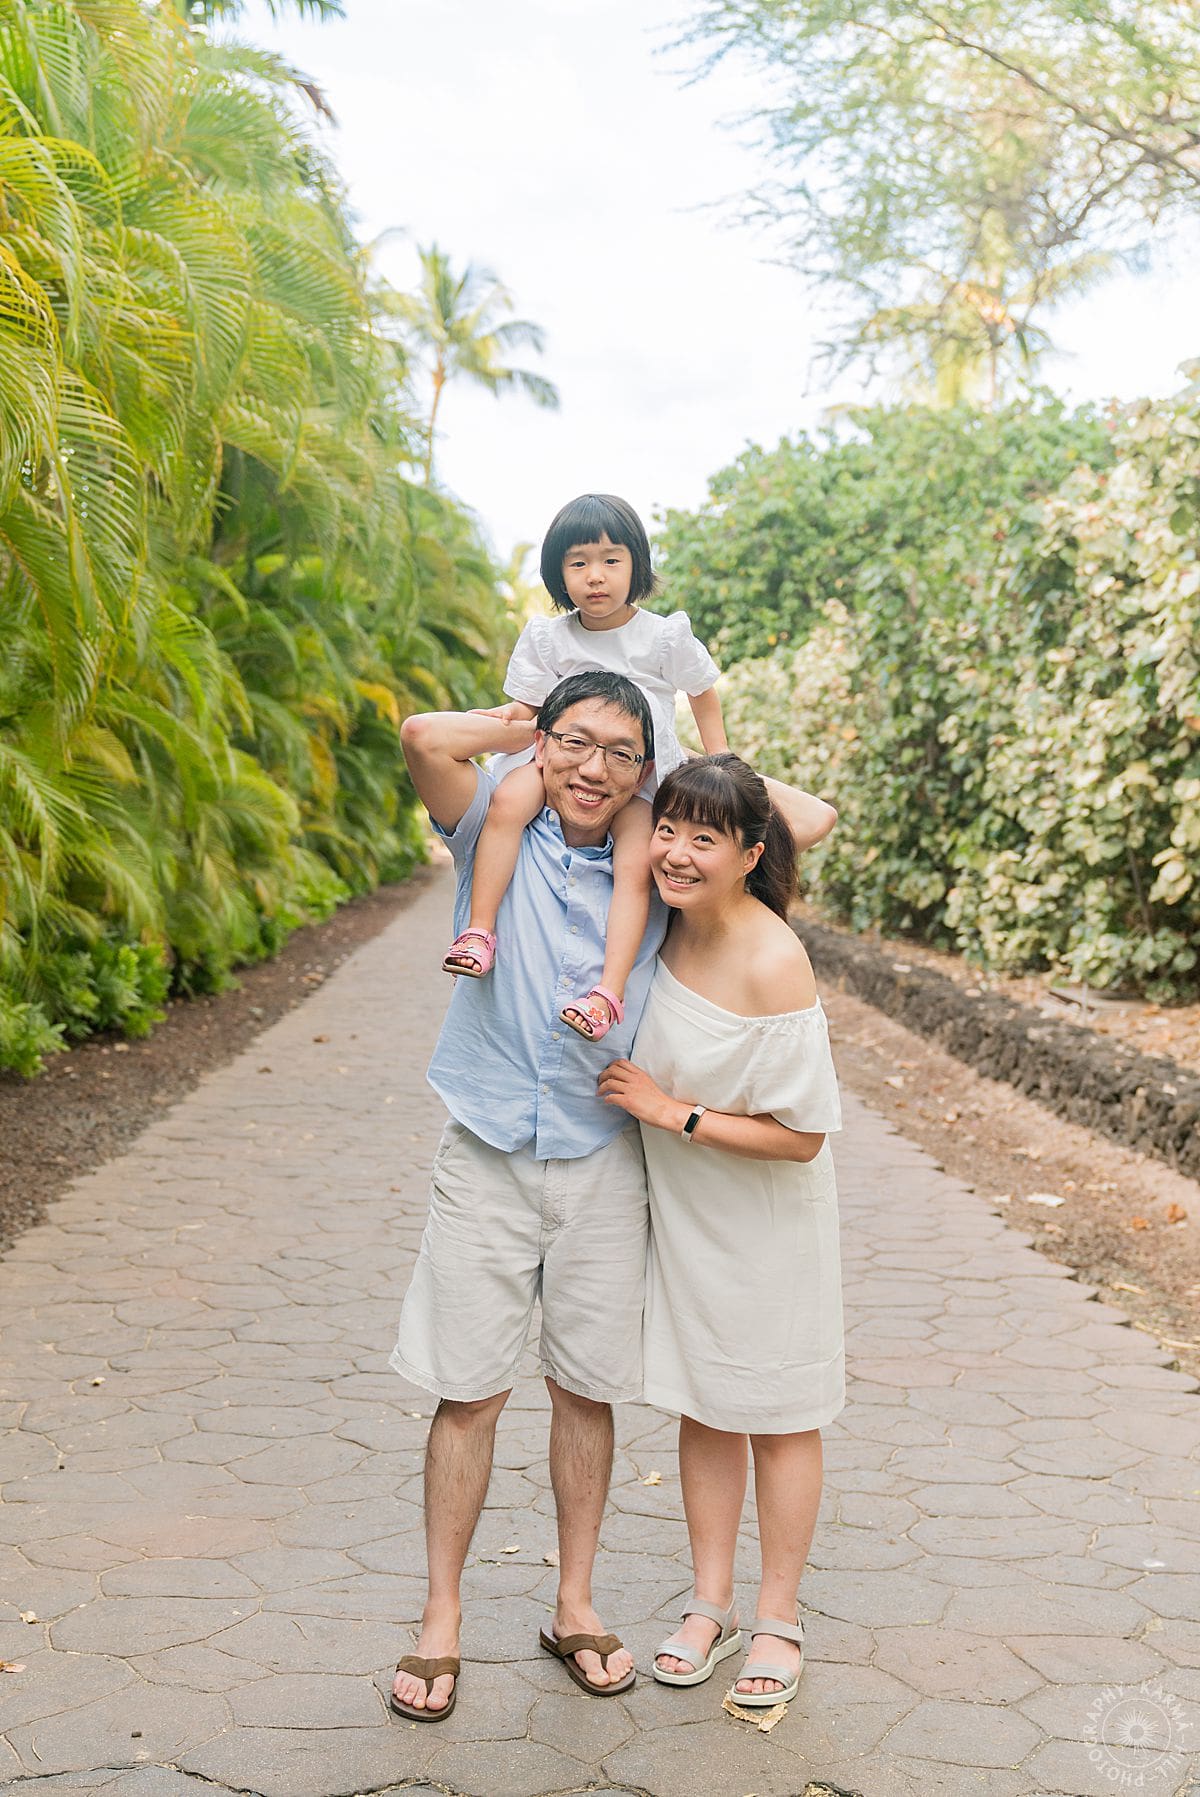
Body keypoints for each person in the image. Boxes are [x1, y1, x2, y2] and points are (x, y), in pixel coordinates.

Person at [389, 681, 836, 1722]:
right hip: (490, 1146)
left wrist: (693, 770)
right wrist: (539, 735)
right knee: (469, 1392)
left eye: (618, 756)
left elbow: (795, 823)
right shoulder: (491, 823)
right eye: (574, 746)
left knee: (587, 1392)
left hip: (604, 1159)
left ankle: (576, 1607)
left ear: (645, 771)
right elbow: (421, 736)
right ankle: (441, 1620)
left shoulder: (663, 873)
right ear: (544, 743)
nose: (593, 771)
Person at [599, 754, 843, 1710]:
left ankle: (777, 1618)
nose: (676, 852)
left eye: (707, 837)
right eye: (668, 828)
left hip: (766, 1223)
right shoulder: (662, 920)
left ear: (752, 853)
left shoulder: (772, 954)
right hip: (689, 1219)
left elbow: (804, 1135)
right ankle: (711, 1603)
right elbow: (799, 814)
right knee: (705, 1404)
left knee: (778, 1417)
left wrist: (671, 1112)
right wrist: (680, 769)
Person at [442, 492, 727, 1045]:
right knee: (505, 806)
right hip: (558, 761)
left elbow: (703, 692)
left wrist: (717, 759)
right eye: (578, 563)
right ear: (558, 574)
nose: (595, 576)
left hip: (635, 777)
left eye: (611, 561)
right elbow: (525, 710)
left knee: (633, 870)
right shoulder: (548, 637)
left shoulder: (663, 635)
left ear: (636, 566)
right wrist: (505, 718)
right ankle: (479, 931)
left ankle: (607, 993)